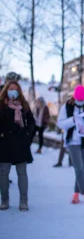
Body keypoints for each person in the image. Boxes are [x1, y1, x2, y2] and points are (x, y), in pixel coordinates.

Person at [57, 85, 84, 204]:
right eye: (78, 100)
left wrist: (83, 120)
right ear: (74, 98)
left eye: (82, 100)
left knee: (82, 169)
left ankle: (75, 195)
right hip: (73, 141)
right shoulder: (67, 107)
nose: (81, 102)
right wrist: (73, 120)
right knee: (78, 168)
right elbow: (60, 123)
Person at [0, 81, 35, 211]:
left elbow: (32, 122)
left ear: (19, 90)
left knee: (22, 173)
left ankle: (23, 201)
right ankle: (4, 200)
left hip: (21, 143)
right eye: (10, 88)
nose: (13, 91)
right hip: (4, 143)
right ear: (6, 90)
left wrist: (27, 135)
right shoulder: (1, 105)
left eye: (15, 89)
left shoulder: (24, 105)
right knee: (3, 173)